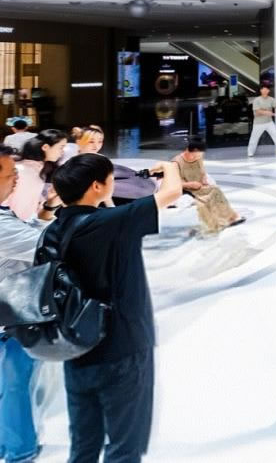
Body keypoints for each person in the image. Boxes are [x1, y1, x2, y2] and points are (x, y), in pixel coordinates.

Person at [51, 152, 184, 463]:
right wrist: (170, 166)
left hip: (76, 348)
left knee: (83, 445)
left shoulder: (54, 230)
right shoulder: (112, 223)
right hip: (123, 347)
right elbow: (172, 192)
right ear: (97, 186)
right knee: (125, 446)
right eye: (111, 178)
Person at [0, 145, 59, 463]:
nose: (16, 180)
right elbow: (47, 245)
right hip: (12, 317)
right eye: (11, 174)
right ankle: (19, 451)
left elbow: (31, 231)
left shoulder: (3, 215)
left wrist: (49, 208)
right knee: (16, 385)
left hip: (11, 314)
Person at [172, 139, 244, 236]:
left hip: (199, 186)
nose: (199, 157)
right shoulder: (176, 162)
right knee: (203, 201)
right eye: (198, 154)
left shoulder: (198, 157)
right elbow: (174, 182)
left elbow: (202, 172)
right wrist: (190, 184)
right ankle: (211, 226)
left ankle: (229, 218)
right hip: (186, 189)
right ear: (192, 150)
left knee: (215, 190)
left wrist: (204, 179)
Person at [74, 127, 156, 206]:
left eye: (100, 141)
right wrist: (111, 206)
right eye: (91, 142)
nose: (96, 146)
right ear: (79, 141)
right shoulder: (78, 163)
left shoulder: (100, 158)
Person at [7, 130, 66, 221]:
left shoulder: (42, 171)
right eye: (61, 147)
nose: (62, 152)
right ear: (45, 147)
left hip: (23, 224)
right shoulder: (20, 170)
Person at [247, 86, 276, 158]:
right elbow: (257, 111)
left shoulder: (271, 99)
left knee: (275, 135)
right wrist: (266, 112)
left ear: (268, 91)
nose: (265, 90)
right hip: (259, 123)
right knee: (254, 138)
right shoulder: (257, 100)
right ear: (261, 91)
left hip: (269, 122)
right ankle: (250, 152)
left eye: (267, 89)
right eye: (264, 89)